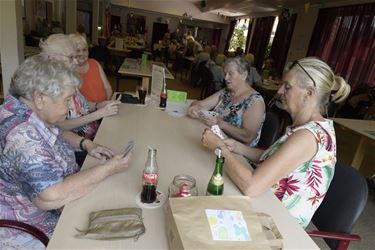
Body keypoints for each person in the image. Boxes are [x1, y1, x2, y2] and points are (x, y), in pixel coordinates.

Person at [201, 57, 351, 228]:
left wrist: (219, 148)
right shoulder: (308, 127)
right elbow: (274, 159)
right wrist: (238, 147)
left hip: (277, 226)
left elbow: (252, 186)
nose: (279, 91)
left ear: (309, 93)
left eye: (287, 87)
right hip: (265, 205)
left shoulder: (307, 137)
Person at [0, 55, 132, 248]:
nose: (71, 106)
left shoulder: (20, 108)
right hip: (34, 227)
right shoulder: (21, 135)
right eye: (67, 99)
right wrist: (108, 168)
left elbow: (56, 131)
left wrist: (87, 144)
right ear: (39, 98)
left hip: (59, 205)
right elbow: (51, 197)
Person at [39, 33, 120, 140]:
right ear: (53, 58)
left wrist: (98, 105)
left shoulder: (67, 79)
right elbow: (59, 126)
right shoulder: (49, 87)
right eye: (71, 57)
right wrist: (98, 114)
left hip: (93, 135)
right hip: (78, 143)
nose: (76, 61)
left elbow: (81, 106)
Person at [188, 56, 265, 146]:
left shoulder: (255, 101)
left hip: (235, 152)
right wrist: (194, 107)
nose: (225, 78)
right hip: (216, 141)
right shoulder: (227, 92)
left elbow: (248, 137)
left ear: (244, 75)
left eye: (230, 74)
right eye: (225, 73)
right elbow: (201, 104)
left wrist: (222, 124)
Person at [69, 33, 113, 102]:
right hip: (86, 111)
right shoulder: (70, 71)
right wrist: (98, 107)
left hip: (104, 107)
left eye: (84, 50)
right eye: (77, 50)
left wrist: (105, 104)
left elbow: (108, 88)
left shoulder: (94, 63)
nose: (81, 54)